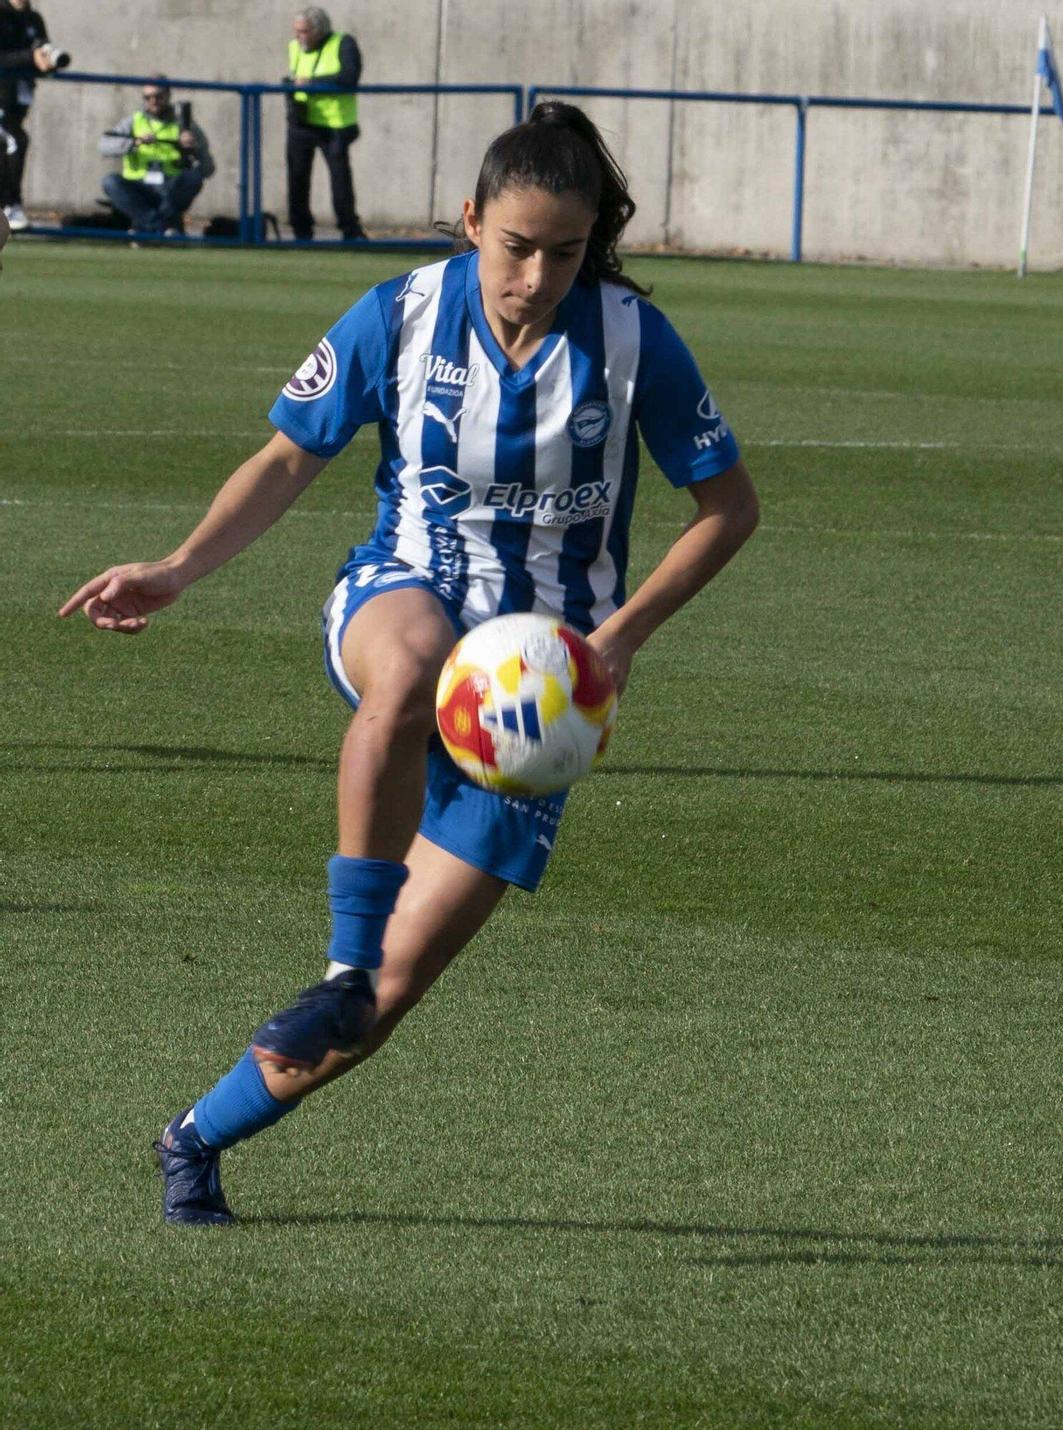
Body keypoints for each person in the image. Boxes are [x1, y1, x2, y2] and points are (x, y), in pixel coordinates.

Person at [60, 102, 761, 1226]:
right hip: (399, 592)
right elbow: (291, 456)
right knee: (412, 671)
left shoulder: (634, 341)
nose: (535, 275)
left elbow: (728, 509)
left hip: (537, 696)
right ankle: (342, 954)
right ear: (472, 219)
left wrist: (614, 641)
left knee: (379, 1010)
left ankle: (195, 1136)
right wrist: (179, 567)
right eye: (515, 245)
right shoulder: (403, 312)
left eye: (565, 252)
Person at [284, 6, 364, 241]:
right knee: (297, 179)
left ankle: (350, 231)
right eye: (296, 32)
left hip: (334, 125)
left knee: (340, 180)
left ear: (319, 30)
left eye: (304, 32)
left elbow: (349, 77)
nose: (299, 37)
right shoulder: (294, 47)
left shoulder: (343, 43)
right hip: (301, 123)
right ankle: (301, 232)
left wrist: (311, 83)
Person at [98, 80, 214, 236]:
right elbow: (104, 146)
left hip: (170, 189)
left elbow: (208, 170)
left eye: (158, 96)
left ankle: (144, 228)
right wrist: (135, 142)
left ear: (168, 96)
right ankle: (161, 228)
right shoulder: (133, 122)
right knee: (110, 182)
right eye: (148, 97)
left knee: (193, 178)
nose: (153, 101)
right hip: (138, 187)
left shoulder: (185, 125)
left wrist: (195, 148)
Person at [0, 0, 58, 229]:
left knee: (5, 148)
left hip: (18, 97)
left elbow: (41, 50)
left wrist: (46, 61)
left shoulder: (34, 19)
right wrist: (29, 57)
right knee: (17, 140)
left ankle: (6, 207)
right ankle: (11, 204)